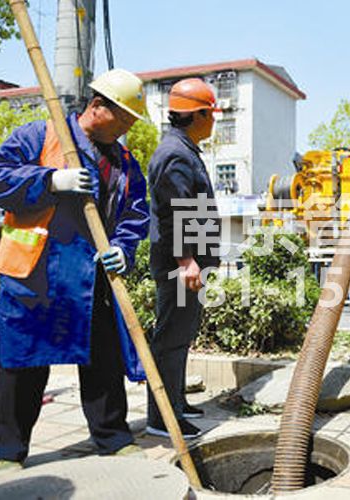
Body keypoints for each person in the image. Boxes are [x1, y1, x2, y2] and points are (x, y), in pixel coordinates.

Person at [0, 68, 151, 477]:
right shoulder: (39, 136)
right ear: (97, 107)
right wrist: (51, 179)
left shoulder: (125, 163)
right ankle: (9, 451)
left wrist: (123, 250)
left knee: (104, 363)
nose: (127, 129)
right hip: (36, 275)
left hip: (92, 281)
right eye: (123, 119)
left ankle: (112, 437)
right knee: (22, 366)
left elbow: (135, 216)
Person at [146, 78, 221, 439]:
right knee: (171, 338)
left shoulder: (184, 150)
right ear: (199, 114)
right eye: (212, 115)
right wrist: (185, 260)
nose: (214, 122)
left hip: (189, 261)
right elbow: (176, 212)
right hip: (181, 265)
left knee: (181, 334)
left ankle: (174, 401)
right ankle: (162, 418)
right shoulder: (175, 154)